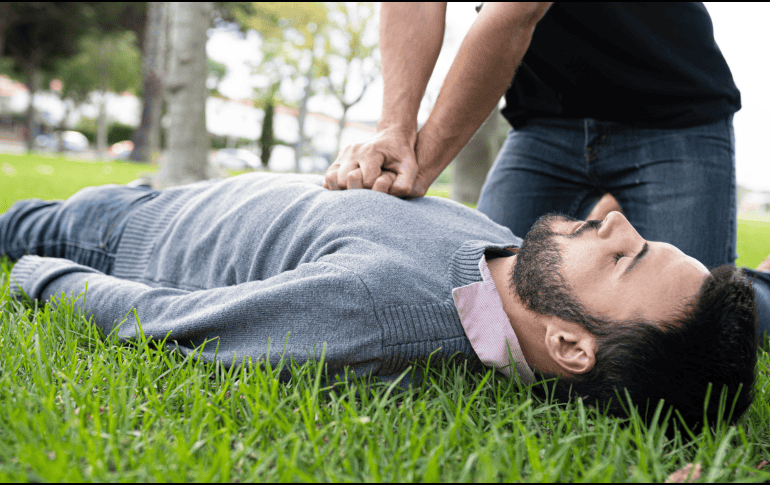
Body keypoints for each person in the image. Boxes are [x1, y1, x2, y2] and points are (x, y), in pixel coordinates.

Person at [0, 173, 760, 432]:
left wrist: (35, 274)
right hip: (172, 199)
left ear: (570, 345)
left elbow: (162, 324)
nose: (615, 215)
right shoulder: (506, 262)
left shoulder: (381, 310)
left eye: (623, 256)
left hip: (117, 235)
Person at [324, 3, 740, 271]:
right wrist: (394, 130)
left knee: (692, 312)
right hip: (547, 121)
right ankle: (607, 206)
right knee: (478, 280)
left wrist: (418, 165)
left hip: (673, 115)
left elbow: (517, 10)